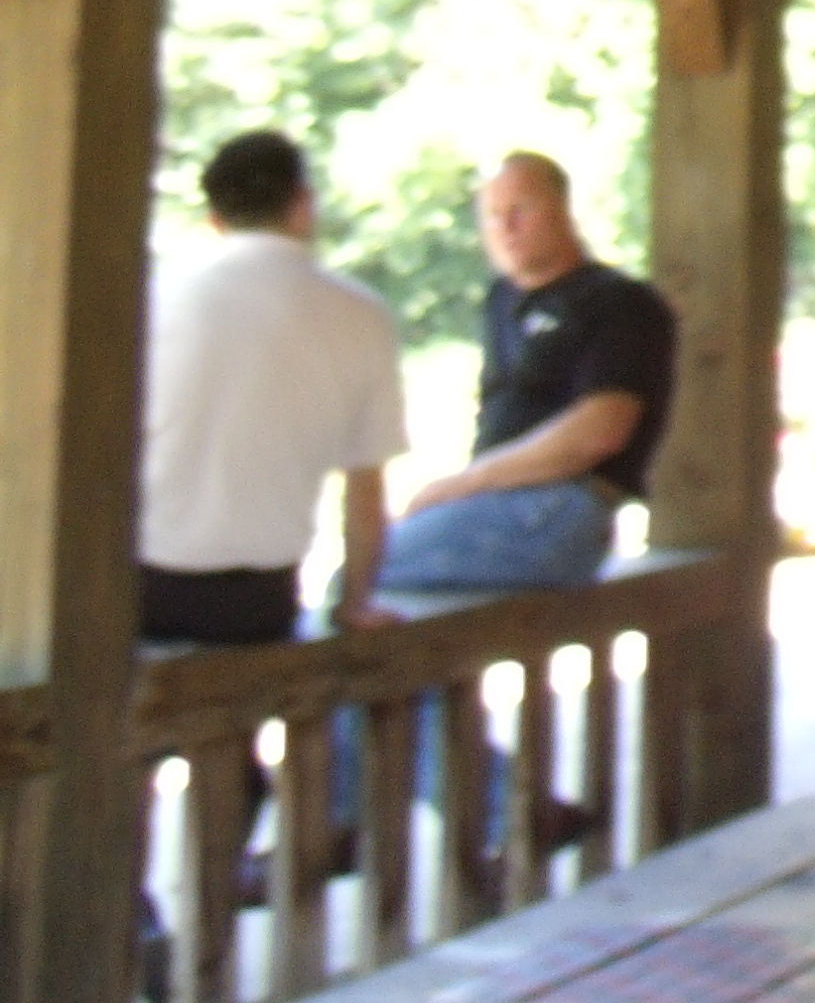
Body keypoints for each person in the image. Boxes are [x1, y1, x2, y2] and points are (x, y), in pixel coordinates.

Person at [140, 132, 406, 646]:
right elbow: (366, 488)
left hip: (142, 586)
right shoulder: (361, 316)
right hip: (259, 602)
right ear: (302, 206)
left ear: (213, 219)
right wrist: (355, 601)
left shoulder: (154, 298)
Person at [384, 154, 674, 594]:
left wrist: (463, 484)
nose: (506, 227)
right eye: (493, 216)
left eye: (521, 210)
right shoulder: (501, 299)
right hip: (497, 504)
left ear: (562, 209)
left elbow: (600, 432)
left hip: (561, 506)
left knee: (360, 579)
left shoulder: (618, 303)